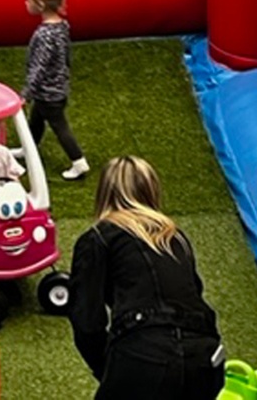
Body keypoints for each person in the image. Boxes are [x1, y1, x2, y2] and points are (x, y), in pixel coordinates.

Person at [68, 156, 225, 399]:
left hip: (144, 352)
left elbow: (87, 321)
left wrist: (108, 370)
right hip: (205, 355)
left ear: (103, 193)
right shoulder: (174, 237)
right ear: (152, 191)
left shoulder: (98, 238)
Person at [19, 0, 89, 180]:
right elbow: (65, 56)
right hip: (57, 88)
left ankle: (78, 161)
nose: (25, 3)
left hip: (48, 93)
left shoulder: (44, 35)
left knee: (59, 126)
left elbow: (38, 68)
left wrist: (26, 94)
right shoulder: (62, 26)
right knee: (36, 120)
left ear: (40, 4)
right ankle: (28, 148)